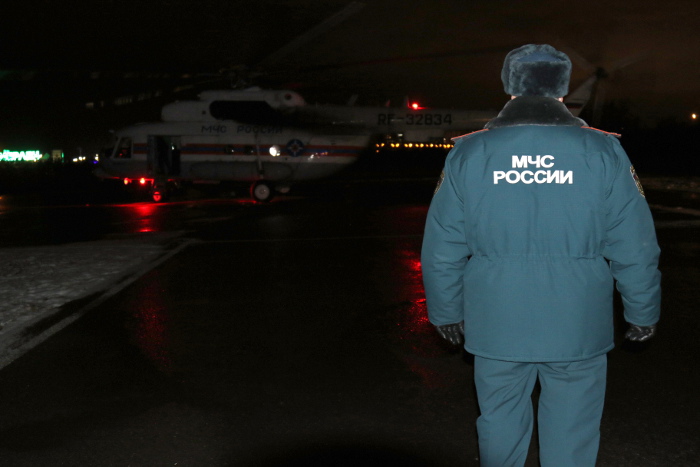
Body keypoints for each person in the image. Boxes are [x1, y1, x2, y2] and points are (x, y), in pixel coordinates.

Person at [420, 44, 661, 466]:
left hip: (497, 317)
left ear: (509, 85)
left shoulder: (471, 152)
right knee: (573, 425)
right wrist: (643, 310)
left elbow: (443, 244)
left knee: (499, 419)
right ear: (562, 89)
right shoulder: (601, 150)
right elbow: (634, 241)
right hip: (576, 320)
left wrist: (445, 312)